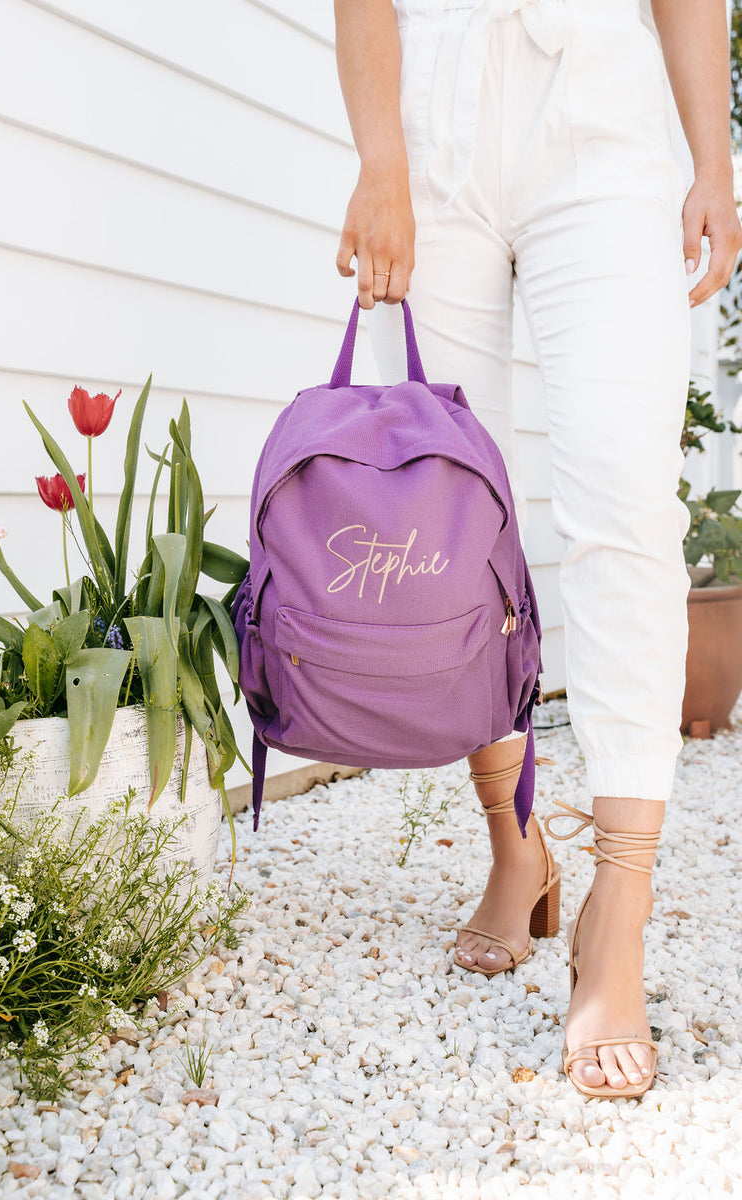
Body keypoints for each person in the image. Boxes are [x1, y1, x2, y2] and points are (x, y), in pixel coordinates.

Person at [332, 0, 742, 1098]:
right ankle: (517, 849)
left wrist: (713, 161)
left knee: (624, 510)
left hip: (602, 123)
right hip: (434, 125)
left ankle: (618, 906)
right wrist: (380, 160)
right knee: (443, 519)